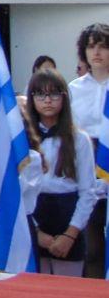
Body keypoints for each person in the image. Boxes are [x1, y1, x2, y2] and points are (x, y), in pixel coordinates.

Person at [26, 69, 97, 276]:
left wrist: (70, 234)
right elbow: (18, 190)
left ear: (64, 98)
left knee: (68, 288)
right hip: (35, 216)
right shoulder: (24, 139)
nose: (47, 100)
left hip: (68, 217)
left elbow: (88, 191)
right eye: (40, 94)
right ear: (32, 99)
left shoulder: (79, 139)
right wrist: (37, 232)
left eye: (54, 94)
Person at [67, 23, 108, 277]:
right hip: (86, 163)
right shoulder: (74, 88)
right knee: (91, 246)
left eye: (103, 46)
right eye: (91, 46)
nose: (97, 52)